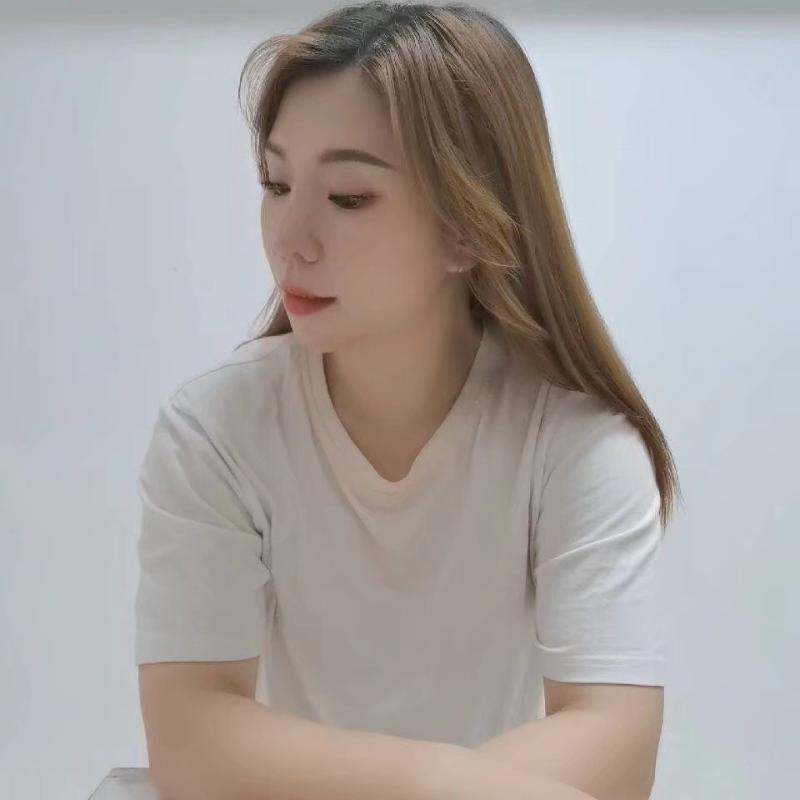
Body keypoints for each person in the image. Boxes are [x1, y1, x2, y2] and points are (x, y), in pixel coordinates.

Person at [134, 4, 682, 800]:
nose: (290, 238)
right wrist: (439, 777)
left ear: (467, 226)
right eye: (276, 184)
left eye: (348, 196)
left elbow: (616, 747)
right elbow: (190, 740)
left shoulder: (578, 445)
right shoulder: (215, 430)